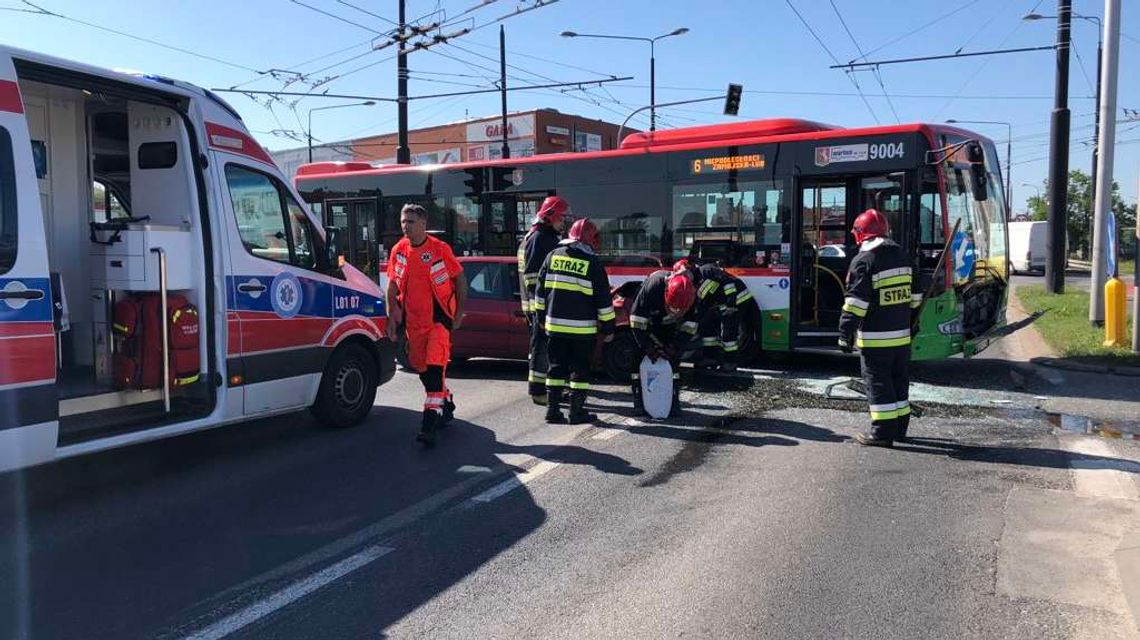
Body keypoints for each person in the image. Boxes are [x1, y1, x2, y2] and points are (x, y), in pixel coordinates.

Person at [386, 203, 468, 446]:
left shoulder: (439, 249)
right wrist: (392, 315)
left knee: (433, 372)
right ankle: (447, 401)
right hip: (414, 327)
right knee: (423, 371)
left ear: (423, 224)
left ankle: (428, 425)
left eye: (410, 222)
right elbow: (391, 287)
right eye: (403, 221)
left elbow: (460, 279)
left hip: (438, 322)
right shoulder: (398, 250)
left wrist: (460, 312)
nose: (405, 226)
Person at [838, 208, 922, 447]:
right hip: (902, 337)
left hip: (876, 338)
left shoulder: (864, 261)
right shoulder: (904, 256)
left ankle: (882, 433)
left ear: (861, 234)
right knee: (898, 382)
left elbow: (855, 303)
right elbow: (915, 298)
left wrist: (845, 334)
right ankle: (899, 429)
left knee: (878, 383)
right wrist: (909, 321)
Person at [533, 218, 615, 424]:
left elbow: (539, 292)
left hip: (554, 328)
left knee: (555, 368)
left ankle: (552, 411)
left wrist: (541, 318)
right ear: (590, 239)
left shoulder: (552, 256)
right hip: (582, 331)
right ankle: (576, 412)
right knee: (580, 370)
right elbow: (604, 301)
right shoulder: (593, 263)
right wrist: (608, 327)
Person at [517, 195, 570, 404]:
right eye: (561, 218)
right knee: (540, 348)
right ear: (550, 216)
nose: (563, 222)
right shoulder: (540, 238)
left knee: (547, 349)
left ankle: (551, 387)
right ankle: (538, 392)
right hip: (540, 306)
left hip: (544, 305)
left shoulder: (545, 236)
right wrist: (545, 303)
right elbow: (532, 277)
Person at [628, 269, 698, 417]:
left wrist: (674, 347)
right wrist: (648, 348)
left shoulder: (692, 295)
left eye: (680, 311)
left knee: (673, 361)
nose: (675, 312)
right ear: (666, 293)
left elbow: (690, 326)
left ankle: (673, 401)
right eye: (672, 308)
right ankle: (639, 400)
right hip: (645, 323)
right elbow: (636, 322)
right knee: (638, 360)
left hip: (668, 326)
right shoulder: (653, 287)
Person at [672, 259, 753, 371]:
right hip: (721, 305)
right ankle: (710, 358)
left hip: (738, 299)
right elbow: (702, 303)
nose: (685, 278)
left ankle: (730, 363)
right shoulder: (693, 284)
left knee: (728, 332)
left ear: (690, 269)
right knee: (707, 327)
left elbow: (728, 281)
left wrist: (731, 304)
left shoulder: (707, 270)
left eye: (685, 274)